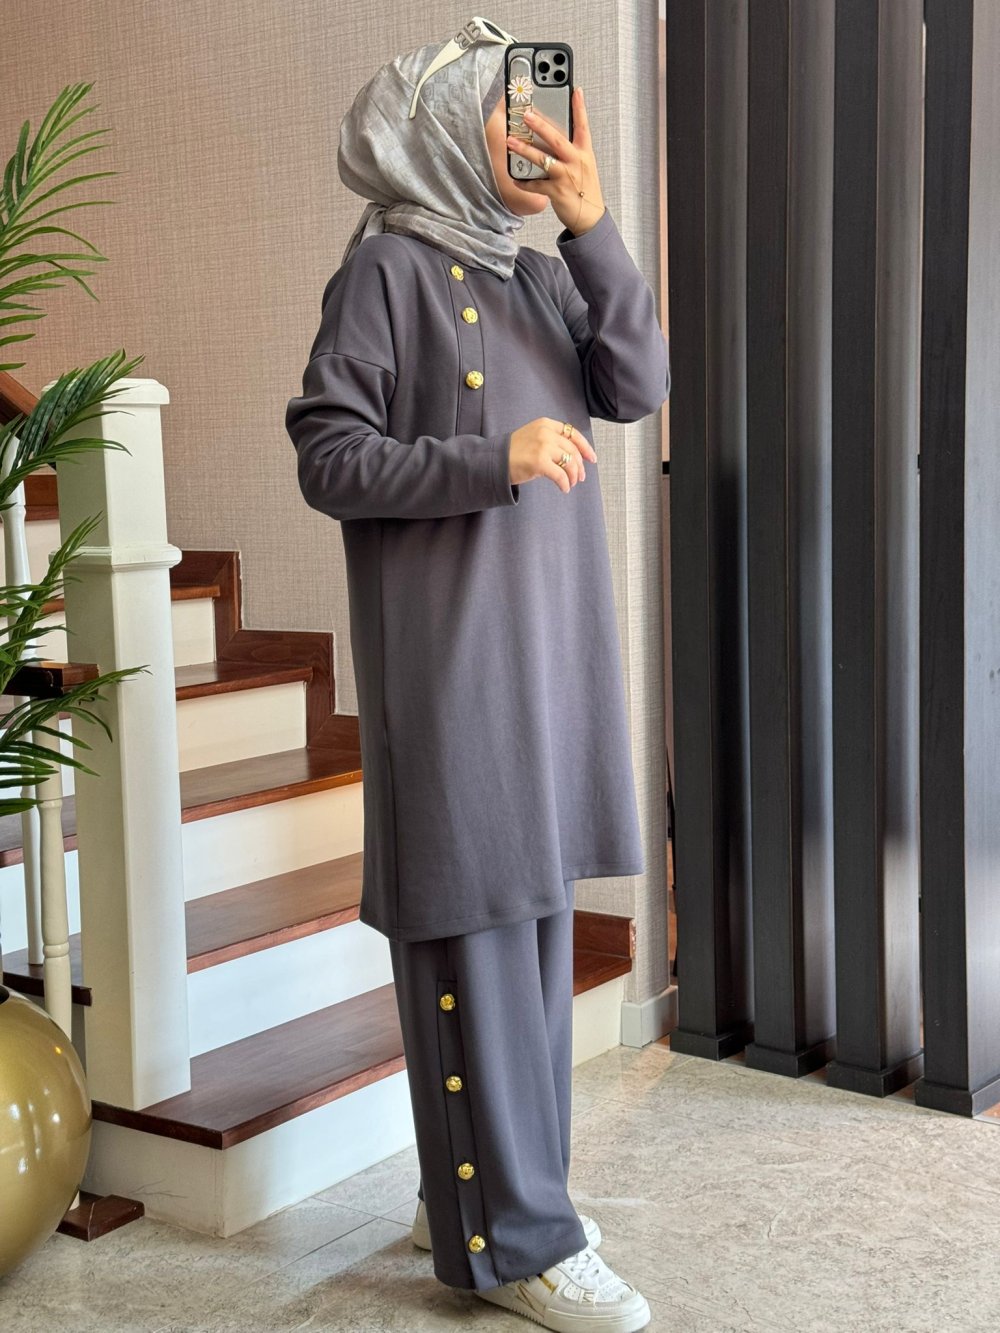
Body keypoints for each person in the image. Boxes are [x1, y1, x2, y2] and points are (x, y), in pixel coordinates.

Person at [284, 16, 669, 1332]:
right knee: (480, 934)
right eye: (506, 112)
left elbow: (637, 383)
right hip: (454, 675)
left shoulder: (539, 274)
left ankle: (487, 1198)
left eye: (538, 108)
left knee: (537, 926)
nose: (530, 132)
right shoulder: (384, 272)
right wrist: (487, 460)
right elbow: (328, 454)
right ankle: (522, 1242)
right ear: (446, 130)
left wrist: (593, 225)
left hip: (551, 660)